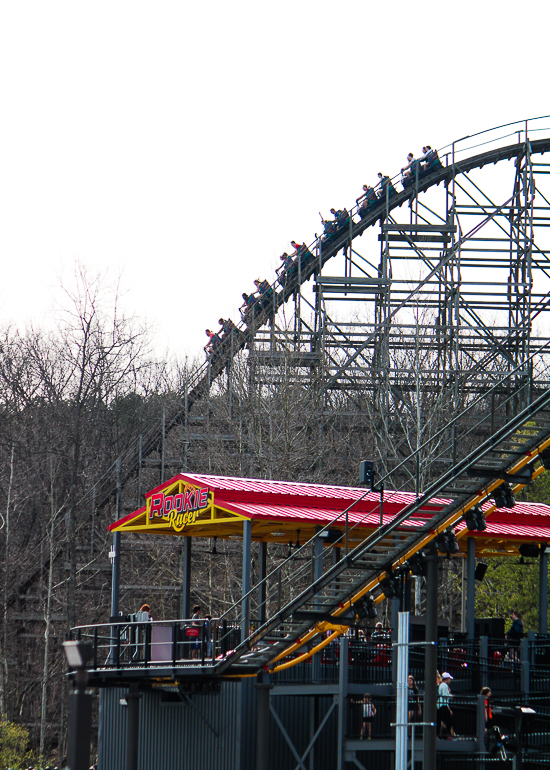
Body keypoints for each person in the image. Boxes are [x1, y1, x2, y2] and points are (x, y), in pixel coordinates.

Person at [437, 672, 455, 737]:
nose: (449, 680)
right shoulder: (444, 685)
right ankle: (448, 735)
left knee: (441, 721)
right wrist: (451, 696)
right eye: (449, 679)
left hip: (440, 706)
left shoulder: (441, 685)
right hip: (443, 706)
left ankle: (442, 735)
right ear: (447, 679)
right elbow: (445, 696)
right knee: (449, 721)